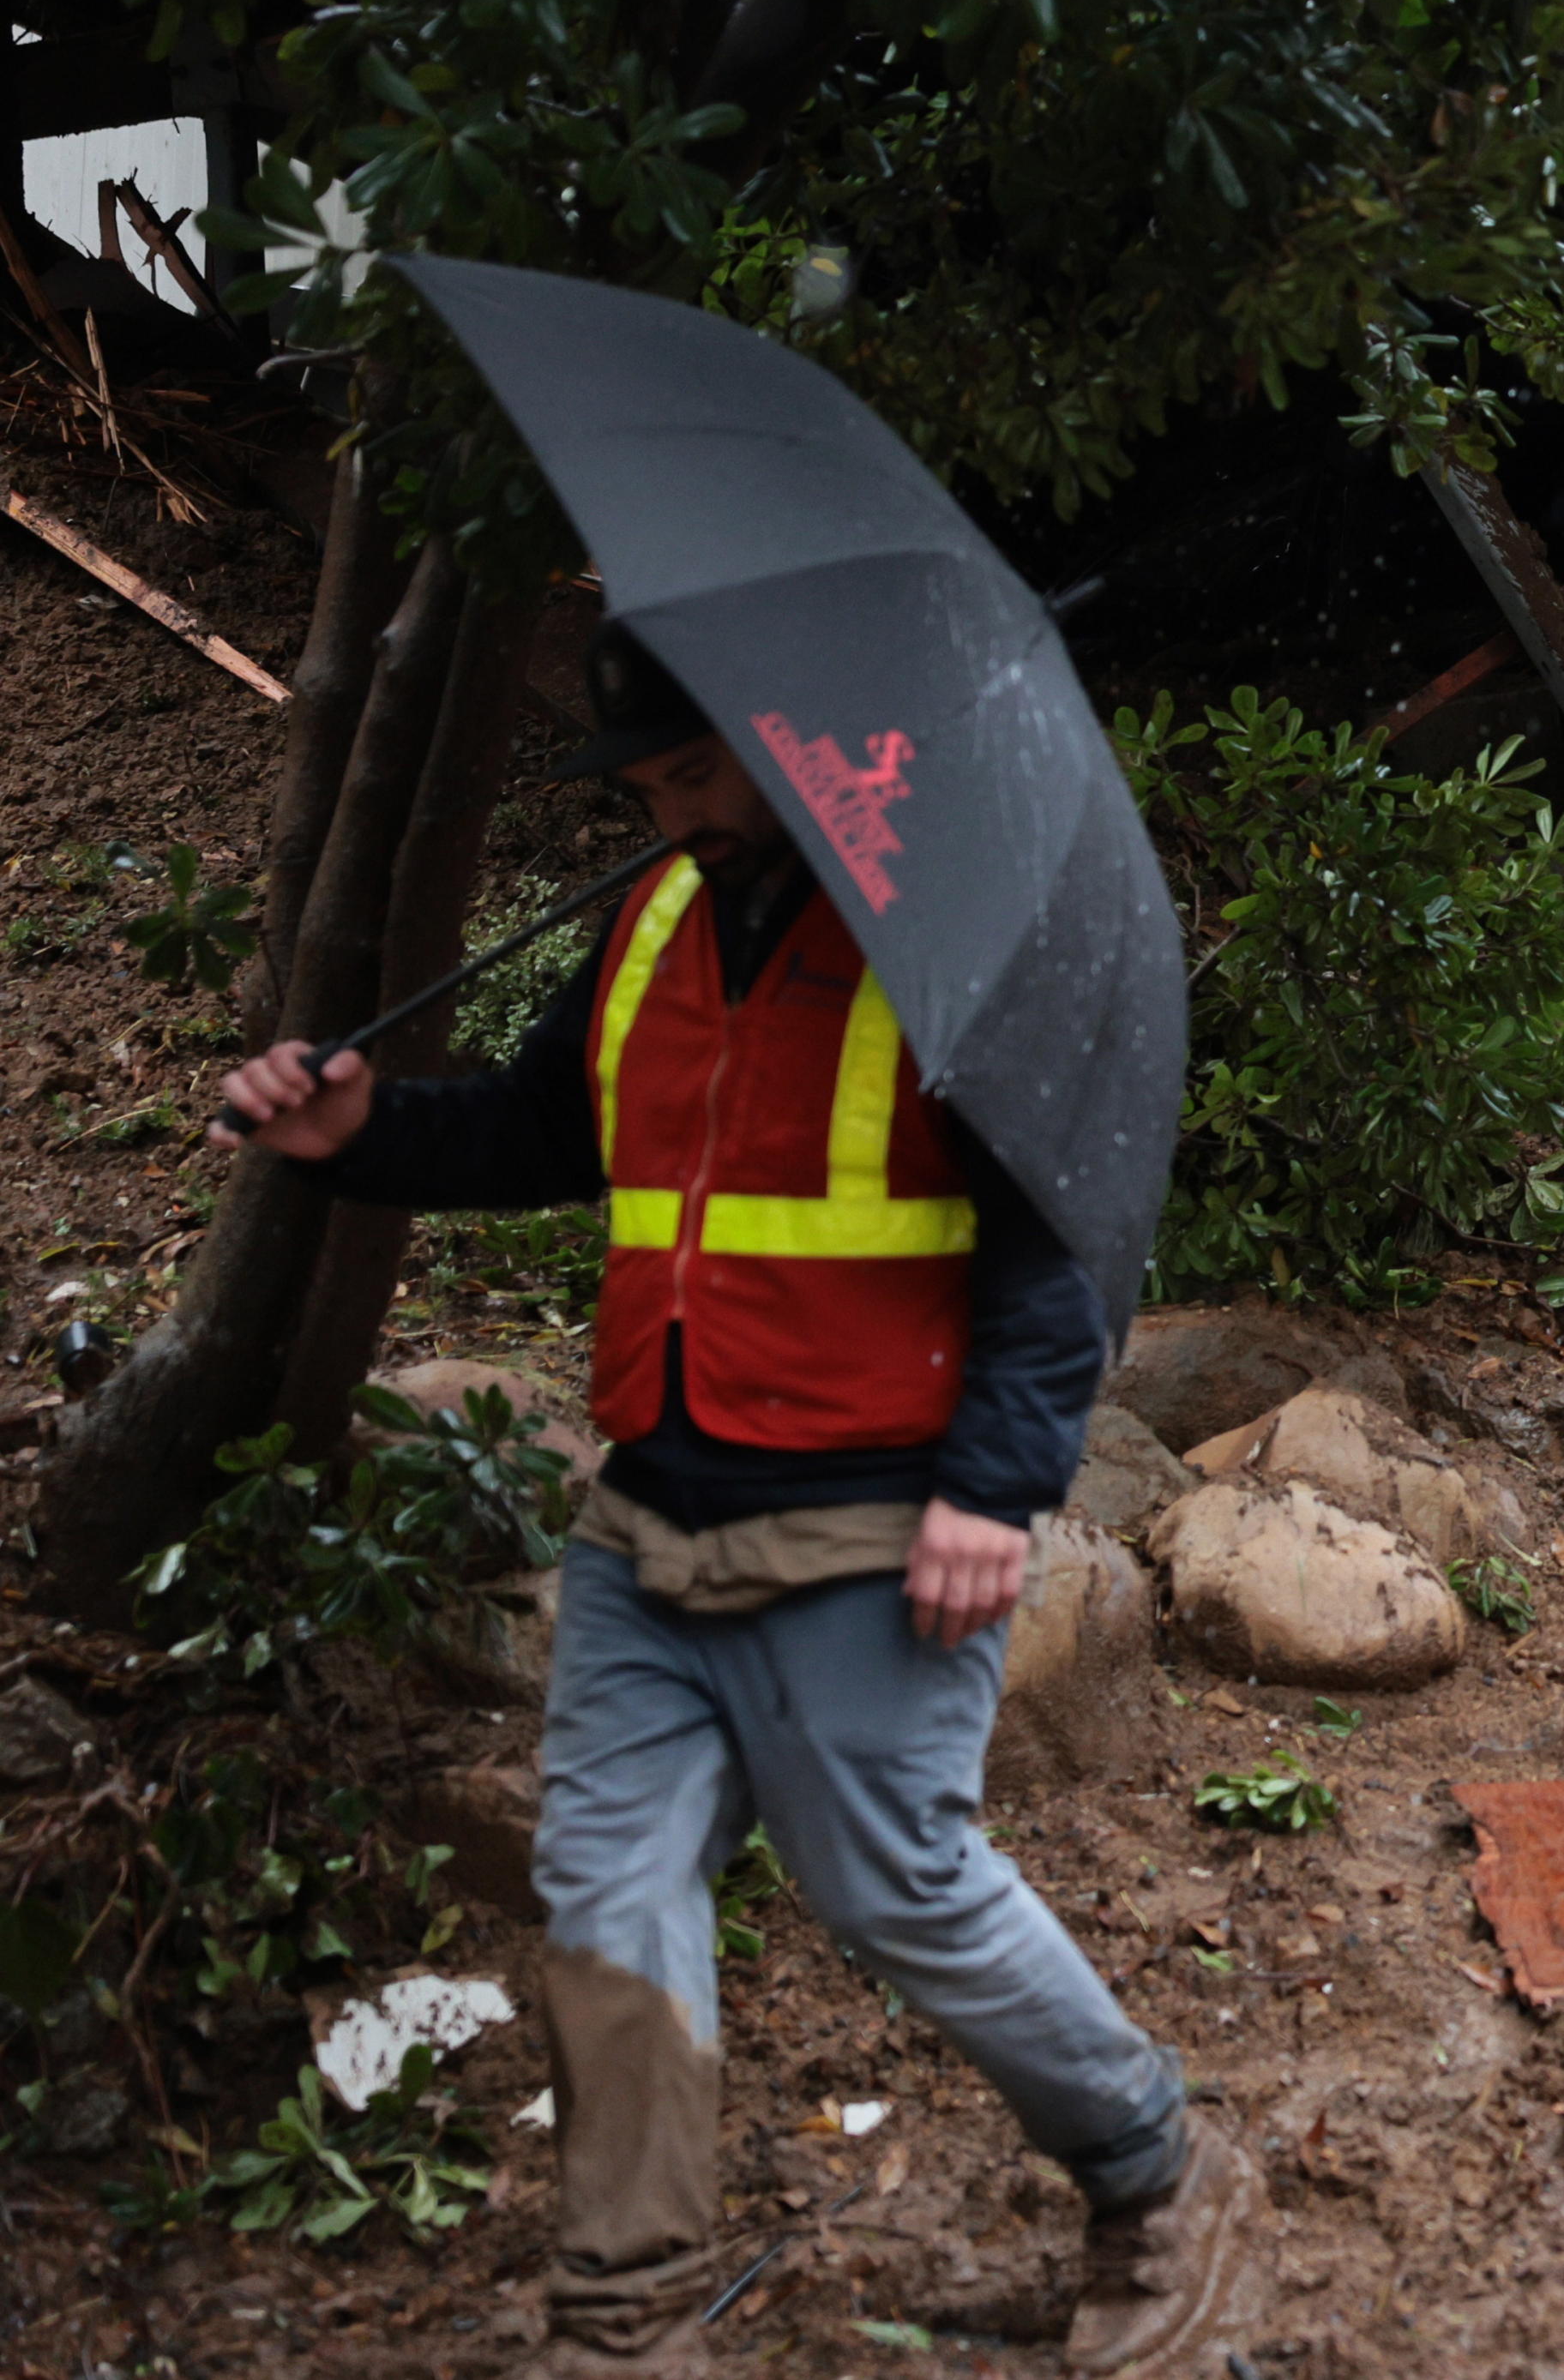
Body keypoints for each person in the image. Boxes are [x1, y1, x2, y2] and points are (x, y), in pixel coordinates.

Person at [216, 628, 1264, 2379]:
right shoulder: (643, 929)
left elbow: (1054, 1240)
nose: (665, 808)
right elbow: (551, 1132)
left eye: (692, 774)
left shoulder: (947, 952)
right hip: (647, 1520)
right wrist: (360, 1131)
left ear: (797, 752)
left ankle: (1164, 2173)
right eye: (644, 781)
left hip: (871, 1523)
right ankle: (629, 2320)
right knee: (610, 1890)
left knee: (895, 1885)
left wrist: (997, 1491)